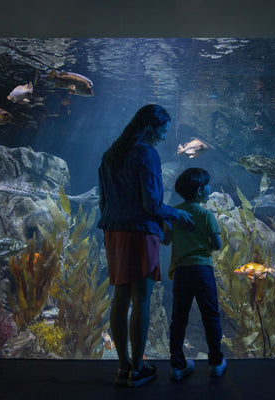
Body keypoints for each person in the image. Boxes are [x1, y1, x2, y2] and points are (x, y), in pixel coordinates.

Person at [97, 104, 193, 388]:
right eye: (163, 128)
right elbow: (151, 203)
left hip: (113, 231)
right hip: (140, 233)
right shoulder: (147, 154)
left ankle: (123, 366)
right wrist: (177, 214)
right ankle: (138, 370)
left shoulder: (109, 156)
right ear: (151, 126)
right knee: (141, 299)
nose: (165, 135)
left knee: (120, 297)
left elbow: (104, 201)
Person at [164, 167, 227, 381]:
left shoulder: (174, 213)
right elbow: (217, 245)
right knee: (210, 316)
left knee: (178, 318)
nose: (210, 187)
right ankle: (216, 362)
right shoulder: (207, 215)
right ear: (201, 190)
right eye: (208, 184)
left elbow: (165, 239)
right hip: (203, 271)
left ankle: (178, 365)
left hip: (182, 271)